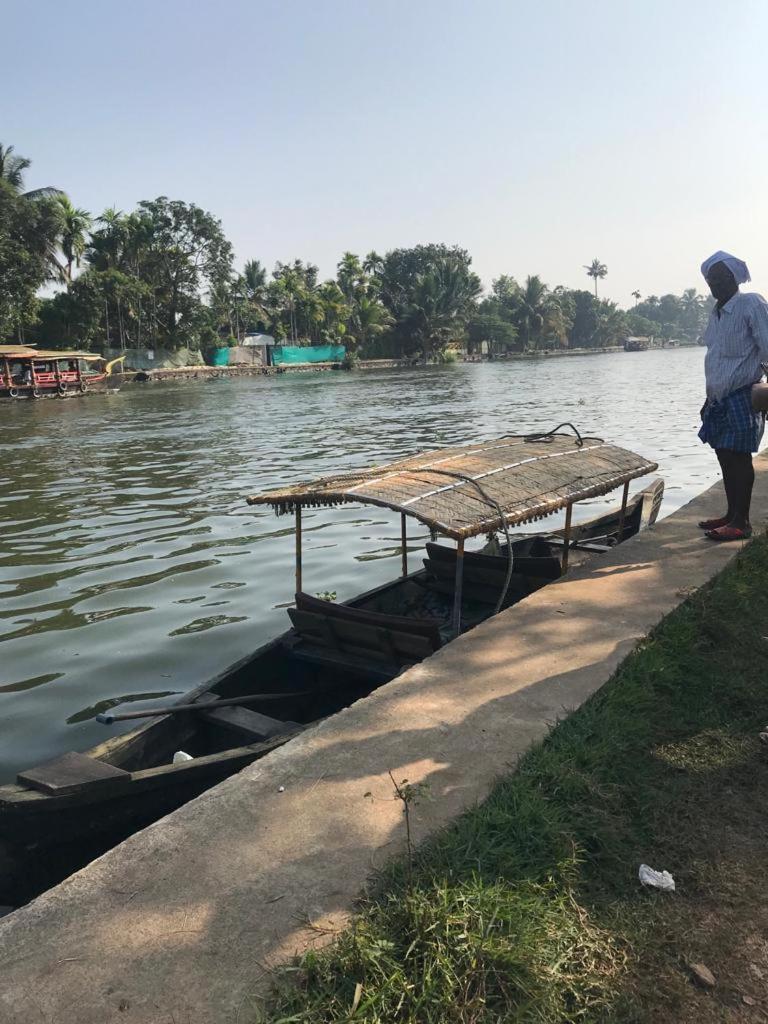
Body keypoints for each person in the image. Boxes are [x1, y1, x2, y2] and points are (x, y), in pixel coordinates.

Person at [698, 250, 768, 541]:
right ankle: (730, 514)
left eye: (720, 277)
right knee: (724, 454)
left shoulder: (750, 304)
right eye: (710, 278)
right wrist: (708, 397)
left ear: (734, 278)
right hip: (719, 398)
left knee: (739, 457)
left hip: (743, 395)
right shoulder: (716, 314)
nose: (714, 283)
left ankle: (742, 522)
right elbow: (716, 358)